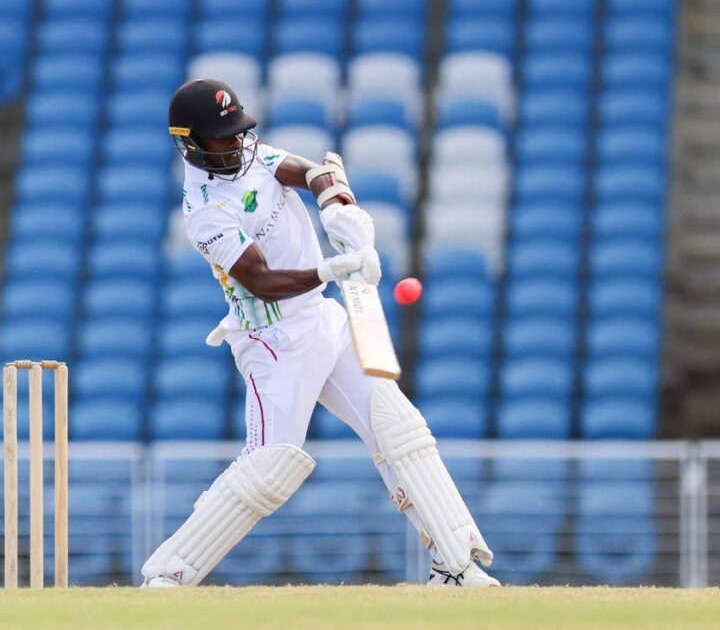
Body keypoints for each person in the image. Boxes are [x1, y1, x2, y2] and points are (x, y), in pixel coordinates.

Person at [141, 79, 499, 587]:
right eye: (222, 139)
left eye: (239, 133)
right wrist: (333, 270)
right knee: (270, 465)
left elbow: (313, 170)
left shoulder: (248, 154)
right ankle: (170, 574)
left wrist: (340, 208)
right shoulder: (205, 211)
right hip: (274, 340)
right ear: (191, 145)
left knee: (399, 428)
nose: (236, 145)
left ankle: (455, 567)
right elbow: (262, 282)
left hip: (324, 319)